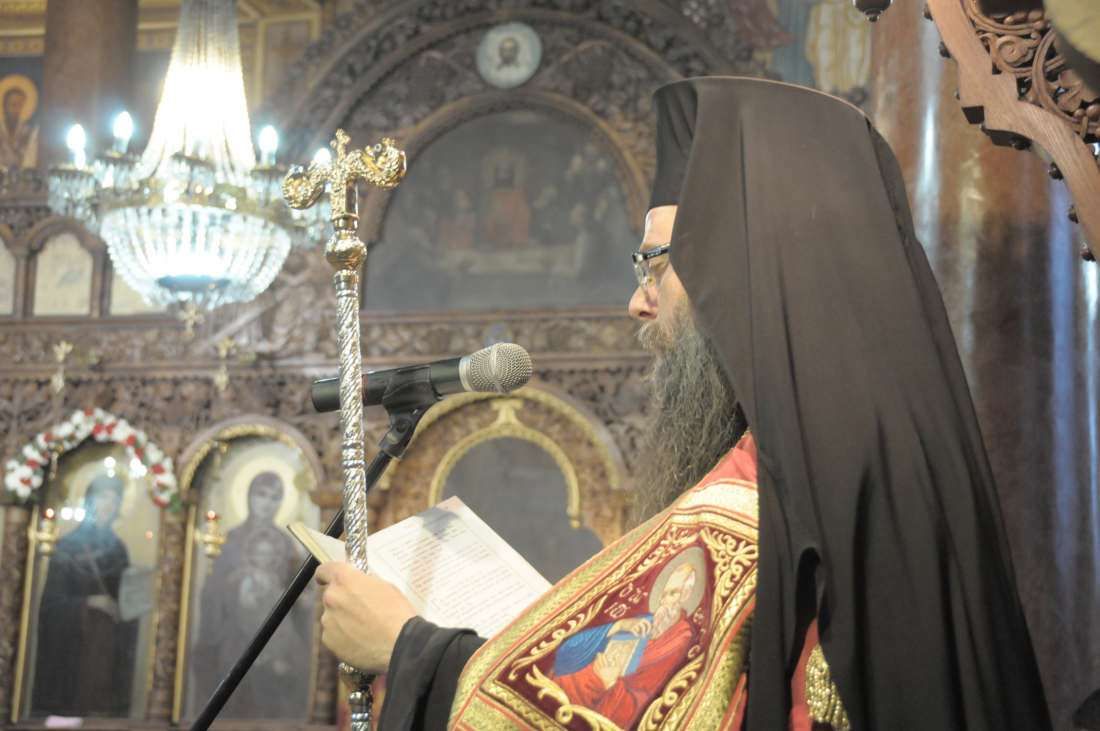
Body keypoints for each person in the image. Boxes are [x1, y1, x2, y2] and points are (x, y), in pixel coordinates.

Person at [315, 77, 1052, 729]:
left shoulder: (759, 491)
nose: (638, 302)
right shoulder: (895, 451)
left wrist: (407, 647)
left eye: (655, 265)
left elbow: (595, 711)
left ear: (744, 271)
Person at [190, 472, 312, 719]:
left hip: (275, 634)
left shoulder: (286, 543)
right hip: (233, 633)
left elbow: (299, 596)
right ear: (249, 497)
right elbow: (211, 593)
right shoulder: (230, 540)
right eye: (261, 495)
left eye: (274, 497)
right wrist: (238, 584)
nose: (266, 503)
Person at [33, 474, 137, 717]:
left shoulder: (119, 550)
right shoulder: (67, 546)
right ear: (90, 501)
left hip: (106, 650)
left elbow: (126, 603)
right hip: (71, 653)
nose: (109, 505)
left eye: (115, 500)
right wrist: (90, 602)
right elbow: (50, 606)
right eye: (103, 497)